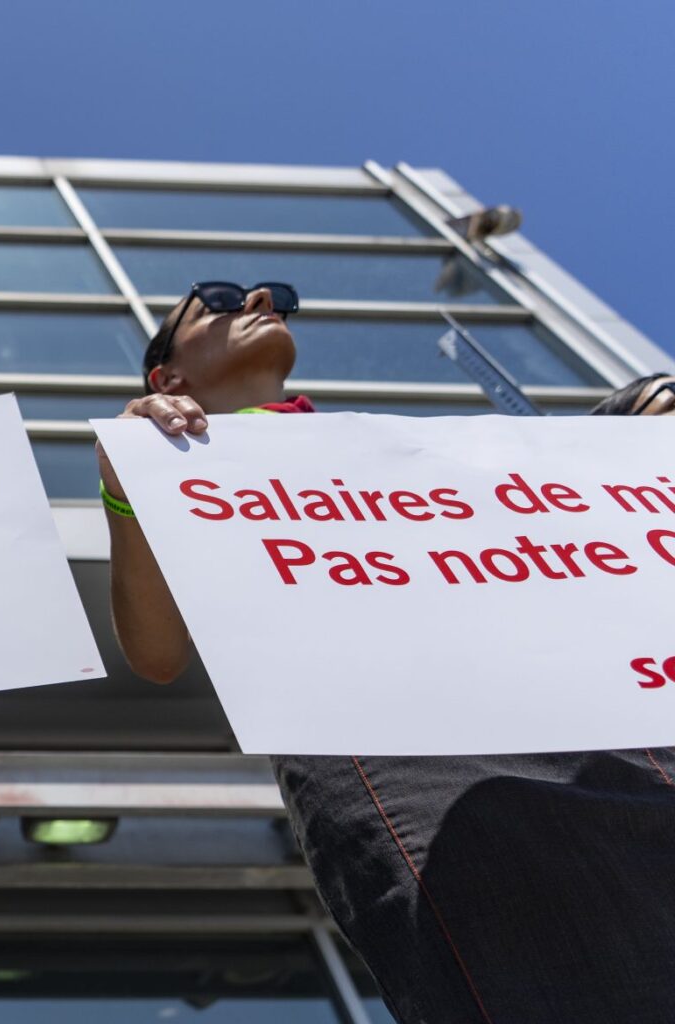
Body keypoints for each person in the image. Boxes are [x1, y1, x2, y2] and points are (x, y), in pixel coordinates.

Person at [101, 281, 675, 1024]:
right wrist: (128, 489)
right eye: (216, 300)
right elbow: (156, 654)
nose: (261, 299)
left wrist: (638, 432)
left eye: (272, 297)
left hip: (615, 732)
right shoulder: (175, 465)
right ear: (166, 379)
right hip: (421, 769)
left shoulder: (415, 455)